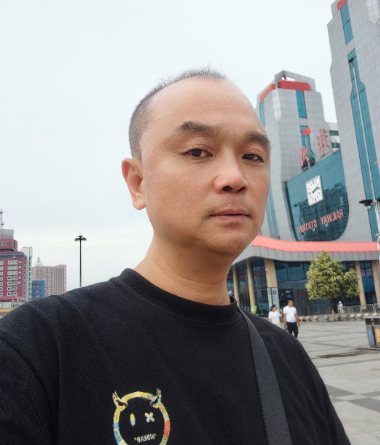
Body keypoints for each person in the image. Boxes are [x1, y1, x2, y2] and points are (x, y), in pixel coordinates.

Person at [0, 68, 349, 444]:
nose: (235, 177)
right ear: (138, 183)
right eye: (198, 151)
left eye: (252, 155)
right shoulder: (38, 348)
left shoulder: (288, 357)